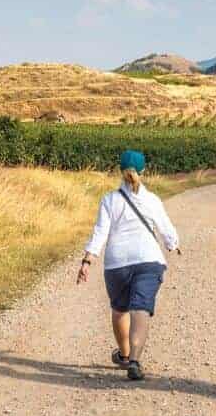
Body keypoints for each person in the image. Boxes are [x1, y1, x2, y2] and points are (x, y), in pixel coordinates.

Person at [77, 150, 180, 381]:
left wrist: (87, 260)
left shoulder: (109, 200)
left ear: (119, 171)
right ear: (144, 171)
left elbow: (100, 232)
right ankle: (134, 359)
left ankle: (123, 355)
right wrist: (173, 244)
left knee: (120, 309)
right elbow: (166, 228)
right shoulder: (152, 200)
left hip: (117, 264)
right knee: (141, 308)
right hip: (149, 260)